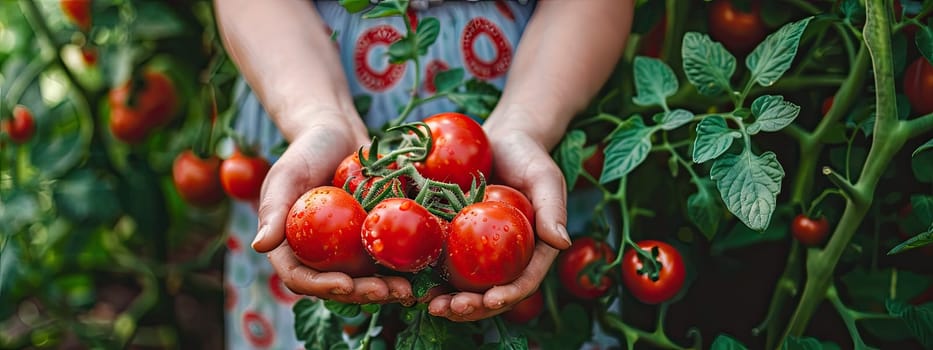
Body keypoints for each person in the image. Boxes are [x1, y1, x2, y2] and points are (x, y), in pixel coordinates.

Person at [214, 0, 632, 348]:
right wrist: (317, 118)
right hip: (298, 68)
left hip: (541, 73)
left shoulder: (489, 203)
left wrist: (529, 122)